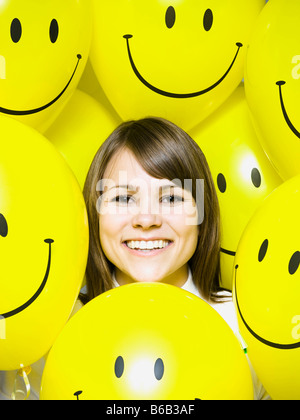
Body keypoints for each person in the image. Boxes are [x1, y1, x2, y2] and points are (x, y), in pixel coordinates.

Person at [81, 116, 269, 400]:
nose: (146, 219)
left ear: (201, 215)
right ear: (95, 215)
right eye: (122, 198)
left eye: (171, 198)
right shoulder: (61, 325)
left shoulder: (247, 326)